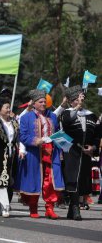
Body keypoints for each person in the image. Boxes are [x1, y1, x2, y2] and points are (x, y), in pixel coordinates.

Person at [15, 89, 64, 219]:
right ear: (34, 103)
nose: (43, 104)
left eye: (44, 101)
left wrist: (62, 144)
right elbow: (23, 136)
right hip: (35, 153)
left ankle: (50, 208)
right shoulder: (26, 117)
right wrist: (36, 141)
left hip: (51, 151)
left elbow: (57, 132)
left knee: (50, 181)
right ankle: (33, 207)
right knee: (34, 180)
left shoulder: (52, 116)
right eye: (40, 102)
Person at [61, 85, 99, 220]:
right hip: (71, 150)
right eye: (77, 98)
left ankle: (73, 206)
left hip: (86, 152)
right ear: (72, 101)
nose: (80, 100)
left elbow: (97, 134)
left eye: (81, 98)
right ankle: (76, 207)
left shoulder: (91, 115)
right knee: (72, 178)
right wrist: (77, 108)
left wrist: (93, 147)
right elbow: (67, 122)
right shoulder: (67, 112)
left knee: (82, 179)